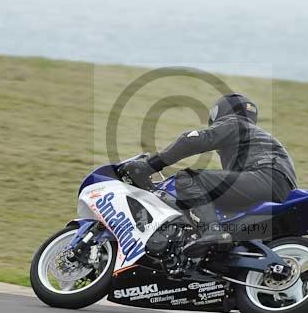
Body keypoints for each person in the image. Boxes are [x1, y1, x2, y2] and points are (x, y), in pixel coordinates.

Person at [123, 93, 297, 256]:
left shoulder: (235, 122)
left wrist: (150, 166)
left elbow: (190, 140)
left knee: (188, 178)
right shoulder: (257, 137)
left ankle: (212, 231)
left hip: (263, 178)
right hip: (282, 190)